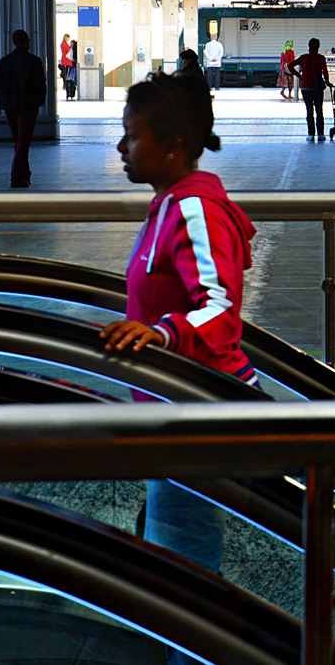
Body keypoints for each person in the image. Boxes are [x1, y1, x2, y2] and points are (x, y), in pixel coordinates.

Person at [100, 70, 258, 577]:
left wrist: (162, 332)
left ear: (173, 145)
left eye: (133, 134)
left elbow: (219, 307)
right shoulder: (170, 205)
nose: (121, 144)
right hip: (174, 408)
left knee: (182, 571)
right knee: (173, 558)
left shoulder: (193, 210)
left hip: (198, 413)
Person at [0, 29, 48, 188]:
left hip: (9, 106)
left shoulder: (4, 62)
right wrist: (39, 101)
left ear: (13, 42)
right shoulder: (34, 61)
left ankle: (25, 174)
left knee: (18, 141)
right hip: (28, 107)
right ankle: (16, 176)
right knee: (23, 142)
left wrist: (4, 99)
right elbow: (40, 85)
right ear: (27, 41)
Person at [287, 37, 331, 139]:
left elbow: (290, 66)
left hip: (306, 87)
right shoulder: (321, 58)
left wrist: (299, 76)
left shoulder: (303, 57)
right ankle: (321, 134)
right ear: (318, 47)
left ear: (309, 46)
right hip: (317, 87)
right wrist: (327, 82)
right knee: (319, 110)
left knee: (309, 110)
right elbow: (325, 71)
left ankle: (311, 134)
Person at [59, 33, 77, 101]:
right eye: (68, 38)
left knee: (67, 75)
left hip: (65, 60)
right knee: (67, 75)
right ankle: (67, 87)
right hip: (66, 60)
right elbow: (68, 50)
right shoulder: (64, 44)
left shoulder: (63, 43)